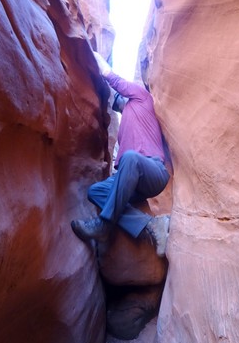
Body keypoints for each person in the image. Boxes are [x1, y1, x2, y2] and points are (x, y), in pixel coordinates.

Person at [71, 52, 171, 257]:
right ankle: (152, 225)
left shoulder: (142, 98)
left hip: (153, 172)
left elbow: (113, 78)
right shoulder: (125, 124)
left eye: (119, 98)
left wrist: (94, 55)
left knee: (131, 158)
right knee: (96, 192)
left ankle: (103, 226)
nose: (117, 101)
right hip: (131, 180)